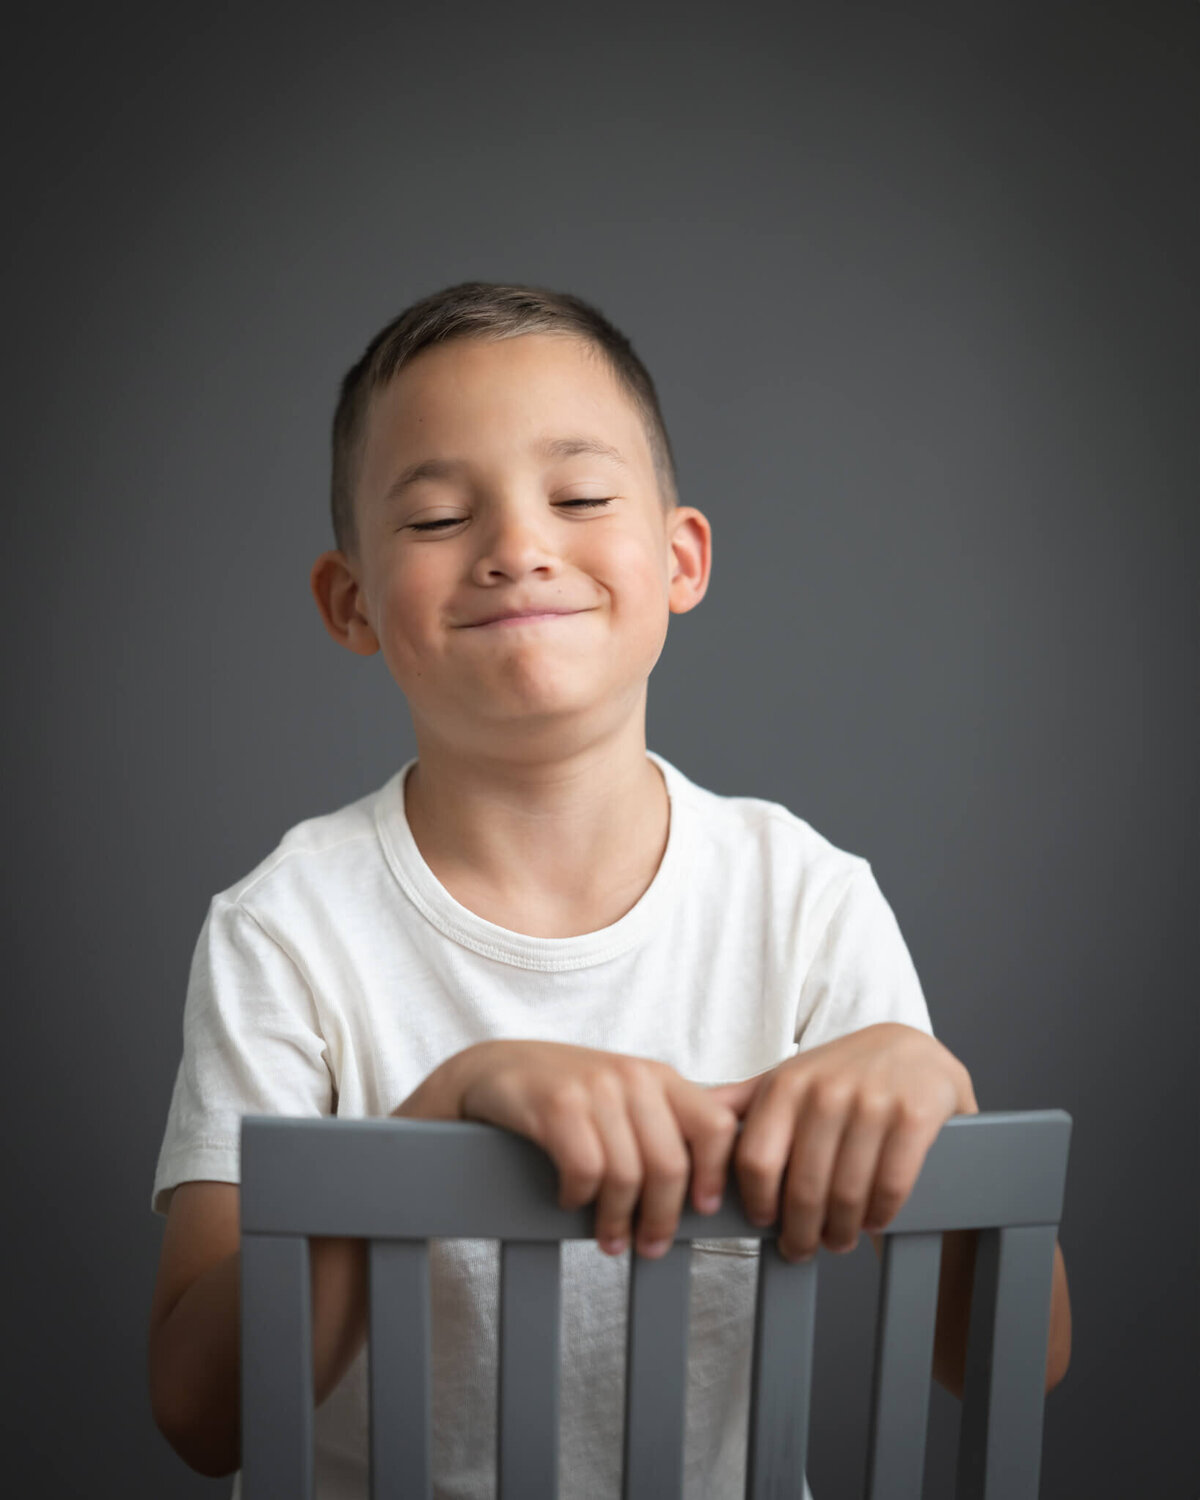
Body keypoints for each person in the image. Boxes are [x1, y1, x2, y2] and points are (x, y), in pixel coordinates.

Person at [147, 280, 1071, 1499]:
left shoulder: (801, 898)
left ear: (681, 560)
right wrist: (442, 1113)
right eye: (434, 518)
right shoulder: (282, 933)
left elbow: (1024, 1357)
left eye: (579, 498)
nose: (518, 547)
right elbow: (205, 1412)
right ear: (351, 602)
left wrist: (936, 1098)